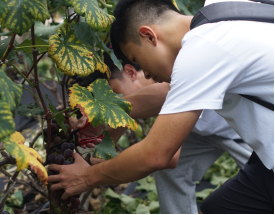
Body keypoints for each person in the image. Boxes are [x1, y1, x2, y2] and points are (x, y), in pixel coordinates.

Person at [48, 0, 274, 213]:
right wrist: (102, 115)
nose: (144, 72)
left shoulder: (201, 51)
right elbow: (165, 94)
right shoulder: (223, 12)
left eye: (136, 57)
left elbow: (156, 155)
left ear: (149, 36)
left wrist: (87, 177)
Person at [105, 55, 252, 214]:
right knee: (172, 171)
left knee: (263, 184)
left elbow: (164, 155)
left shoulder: (170, 72)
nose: (115, 99)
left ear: (131, 72)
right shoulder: (150, 80)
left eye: (114, 91)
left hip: (242, 125)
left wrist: (91, 176)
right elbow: (114, 130)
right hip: (202, 127)